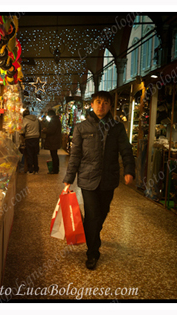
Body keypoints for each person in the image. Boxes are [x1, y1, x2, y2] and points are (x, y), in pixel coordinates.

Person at [63, 91, 135, 270]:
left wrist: (129, 170)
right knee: (93, 215)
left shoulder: (117, 127)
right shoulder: (81, 128)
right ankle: (93, 252)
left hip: (108, 179)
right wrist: (69, 178)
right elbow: (75, 155)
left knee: (101, 214)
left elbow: (126, 150)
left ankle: (93, 235)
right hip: (88, 179)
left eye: (105, 103)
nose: (101, 105)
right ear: (92, 105)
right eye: (97, 102)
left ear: (110, 105)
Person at [20, 108, 41, 174]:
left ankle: (30, 169)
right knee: (35, 154)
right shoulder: (36, 119)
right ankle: (36, 169)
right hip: (36, 138)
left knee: (29, 154)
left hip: (29, 138)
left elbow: (23, 130)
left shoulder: (25, 120)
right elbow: (39, 128)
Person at [42, 109, 62, 174]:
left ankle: (55, 169)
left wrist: (45, 130)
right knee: (54, 155)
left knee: (54, 155)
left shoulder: (54, 121)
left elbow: (51, 130)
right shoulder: (57, 120)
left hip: (53, 140)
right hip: (55, 140)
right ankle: (55, 169)